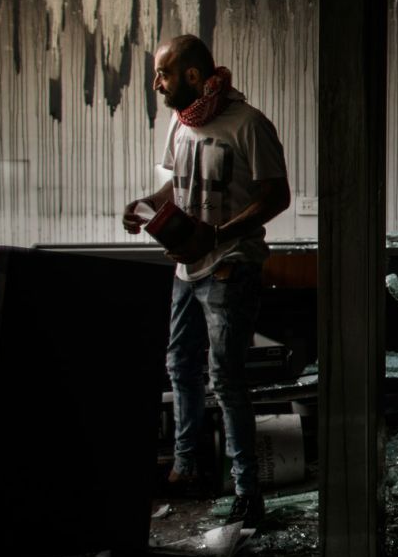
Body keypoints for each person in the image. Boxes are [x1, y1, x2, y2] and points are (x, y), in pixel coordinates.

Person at [123, 34, 290, 526]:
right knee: (180, 366)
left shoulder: (249, 125)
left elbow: (276, 197)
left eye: (164, 74)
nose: (157, 83)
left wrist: (217, 234)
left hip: (230, 266)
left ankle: (246, 493)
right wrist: (145, 206)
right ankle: (188, 467)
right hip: (185, 268)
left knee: (226, 380)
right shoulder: (181, 126)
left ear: (193, 76)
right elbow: (176, 183)